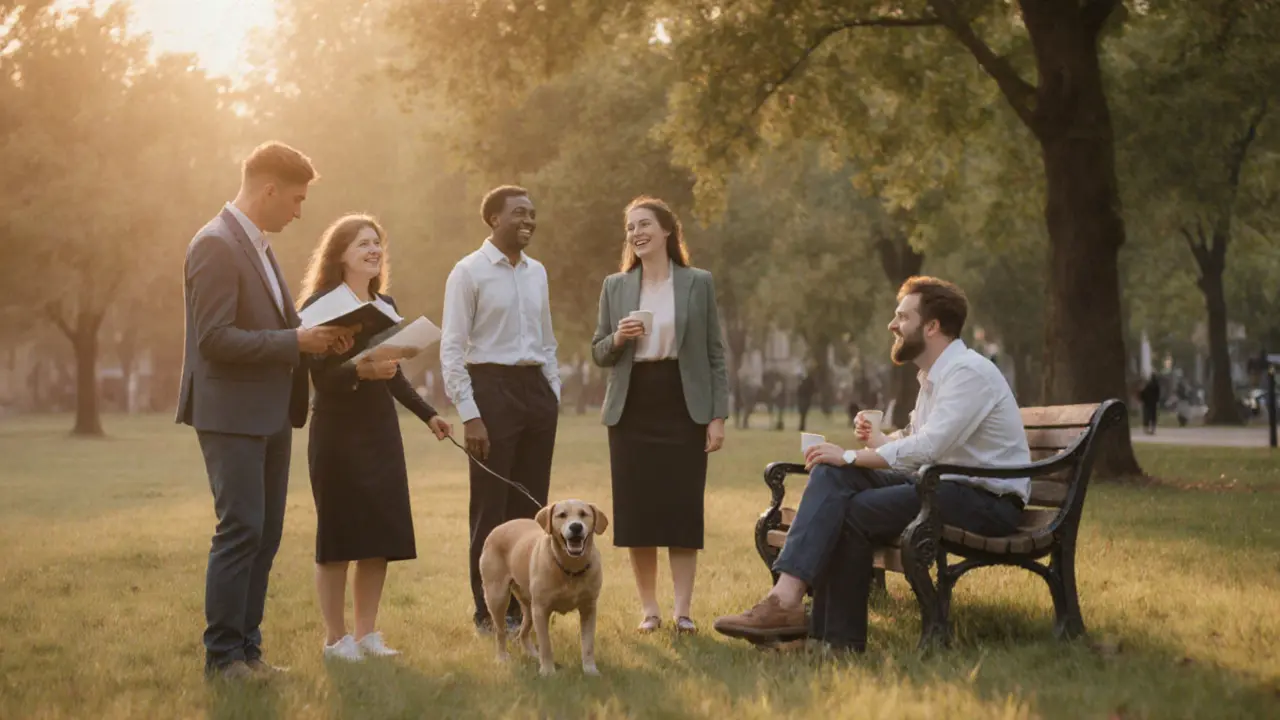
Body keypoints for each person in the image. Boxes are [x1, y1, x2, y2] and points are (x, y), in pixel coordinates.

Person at [713, 276, 1030, 653]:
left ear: (931, 327)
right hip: (941, 485)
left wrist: (849, 454)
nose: (892, 325)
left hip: (986, 500)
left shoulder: (967, 373)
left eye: (902, 317)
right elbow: (915, 435)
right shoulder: (934, 374)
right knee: (834, 475)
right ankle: (789, 603)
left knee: (854, 506)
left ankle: (833, 637)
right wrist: (876, 442)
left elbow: (929, 446)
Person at [176, 141, 353, 681]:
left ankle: (248, 652)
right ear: (268, 189)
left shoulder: (259, 245)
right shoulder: (215, 244)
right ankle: (222, 658)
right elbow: (215, 339)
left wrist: (322, 336)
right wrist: (295, 342)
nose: (299, 212)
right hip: (230, 412)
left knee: (267, 533)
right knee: (240, 530)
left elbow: (277, 323)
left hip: (272, 412)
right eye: (296, 200)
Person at [298, 215, 453, 662]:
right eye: (363, 243)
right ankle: (335, 639)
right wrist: (355, 371)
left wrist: (428, 415)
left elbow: (393, 372)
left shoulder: (385, 303)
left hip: (379, 430)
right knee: (339, 534)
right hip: (336, 429)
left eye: (377, 243)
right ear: (340, 253)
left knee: (379, 533)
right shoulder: (319, 306)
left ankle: (366, 635)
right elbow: (319, 379)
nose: (373, 250)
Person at [591, 196, 729, 634]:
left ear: (668, 230)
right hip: (632, 408)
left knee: (682, 513)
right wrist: (618, 337)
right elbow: (598, 353)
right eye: (630, 227)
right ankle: (649, 610)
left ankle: (683, 611)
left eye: (644, 224)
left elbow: (714, 353)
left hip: (683, 404)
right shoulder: (615, 285)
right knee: (639, 514)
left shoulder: (698, 282)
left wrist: (717, 415)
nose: (636, 233)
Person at [440, 185, 561, 634]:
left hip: (535, 393)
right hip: (490, 390)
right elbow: (452, 348)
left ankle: (527, 608)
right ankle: (489, 612)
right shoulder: (467, 272)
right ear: (494, 218)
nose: (528, 220)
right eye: (518, 213)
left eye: (532, 213)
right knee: (491, 508)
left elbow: (547, 341)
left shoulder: (538, 273)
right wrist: (471, 413)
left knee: (532, 507)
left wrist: (553, 393)